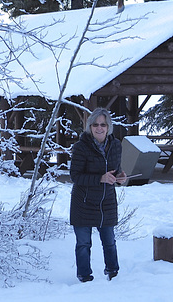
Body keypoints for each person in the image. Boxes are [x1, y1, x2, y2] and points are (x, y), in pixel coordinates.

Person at [69, 107, 126, 282]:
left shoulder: (116, 145)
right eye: (95, 124)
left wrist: (120, 177)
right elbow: (75, 176)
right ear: (90, 126)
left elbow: (115, 169)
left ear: (108, 127)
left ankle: (113, 274)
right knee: (84, 244)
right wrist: (100, 178)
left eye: (103, 124)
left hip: (106, 201)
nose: (99, 128)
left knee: (109, 242)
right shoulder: (80, 147)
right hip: (83, 202)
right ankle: (84, 277)